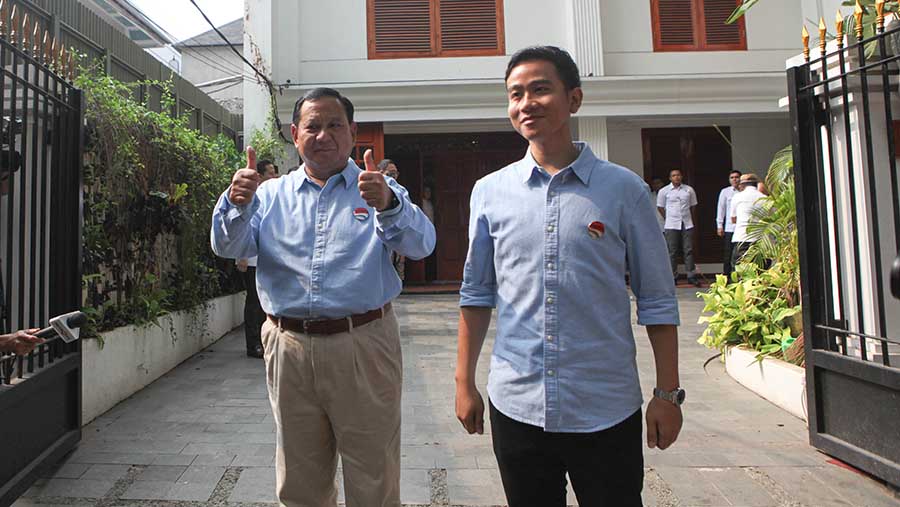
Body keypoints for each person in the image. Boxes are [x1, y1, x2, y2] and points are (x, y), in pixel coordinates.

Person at [455, 46, 683, 507]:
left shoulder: (624, 190)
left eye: (540, 89)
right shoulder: (490, 193)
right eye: (515, 93)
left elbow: (657, 298)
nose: (526, 103)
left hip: (605, 406)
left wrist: (667, 394)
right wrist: (464, 382)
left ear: (574, 99)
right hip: (517, 405)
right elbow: (477, 294)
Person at [211, 87, 435, 506]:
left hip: (364, 344)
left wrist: (388, 204)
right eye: (312, 126)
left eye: (335, 125)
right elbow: (229, 247)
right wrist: (235, 203)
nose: (324, 134)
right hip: (288, 345)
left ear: (352, 132)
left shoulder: (378, 189)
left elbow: (422, 244)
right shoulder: (269, 195)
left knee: (374, 473)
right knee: (300, 477)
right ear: (295, 134)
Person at [236, 159, 279, 358]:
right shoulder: (250, 194)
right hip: (250, 259)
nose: (274, 176)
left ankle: (263, 340)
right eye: (270, 173)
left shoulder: (273, 195)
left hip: (265, 259)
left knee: (264, 303)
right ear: (259, 175)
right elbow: (241, 228)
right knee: (253, 302)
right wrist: (241, 256)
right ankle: (252, 344)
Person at [657, 168, 699, 287]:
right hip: (671, 224)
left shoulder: (689, 190)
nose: (676, 177)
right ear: (670, 178)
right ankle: (673, 276)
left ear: (682, 176)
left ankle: (691, 275)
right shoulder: (664, 191)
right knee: (672, 251)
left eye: (678, 175)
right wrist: (668, 217)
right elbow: (660, 207)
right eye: (674, 175)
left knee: (688, 250)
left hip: (687, 223)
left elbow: (693, 206)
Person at [730, 173, 766, 267]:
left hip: (741, 238)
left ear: (742, 185)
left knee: (740, 270)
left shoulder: (737, 197)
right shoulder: (764, 198)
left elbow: (733, 219)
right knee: (760, 270)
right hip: (760, 239)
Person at [377, 159, 405, 281]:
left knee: (399, 263)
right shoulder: (373, 189)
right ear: (381, 173)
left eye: (395, 174)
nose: (393, 177)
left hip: (398, 235)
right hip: (380, 238)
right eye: (390, 174)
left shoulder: (401, 191)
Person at [716, 170, 742, 277]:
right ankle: (727, 276)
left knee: (741, 253)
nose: (734, 179)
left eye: (736, 177)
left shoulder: (744, 191)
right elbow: (721, 209)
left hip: (742, 228)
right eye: (732, 177)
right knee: (728, 253)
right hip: (729, 228)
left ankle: (739, 275)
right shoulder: (725, 192)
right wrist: (719, 226)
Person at [421, 185, 437, 282]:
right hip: (424, 230)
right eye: (426, 192)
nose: (428, 194)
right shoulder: (422, 203)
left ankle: (431, 277)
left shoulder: (430, 203)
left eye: (429, 192)